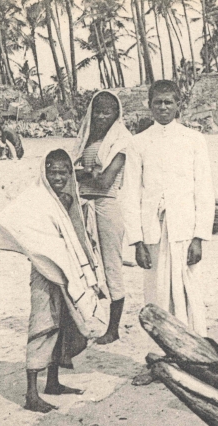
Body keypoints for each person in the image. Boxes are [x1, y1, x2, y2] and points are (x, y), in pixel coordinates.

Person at [0, 149, 109, 413]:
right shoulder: (35, 199)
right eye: (52, 171)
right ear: (44, 173)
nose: (57, 176)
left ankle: (53, 382)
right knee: (43, 325)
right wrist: (36, 250)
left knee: (66, 324)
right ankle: (31, 393)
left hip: (68, 271)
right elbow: (15, 222)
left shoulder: (70, 200)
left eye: (62, 171)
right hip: (45, 272)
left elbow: (77, 235)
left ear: (70, 173)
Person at [121, 80, 215, 386]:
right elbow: (130, 193)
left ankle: (197, 360)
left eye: (169, 103)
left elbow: (204, 190)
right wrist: (137, 241)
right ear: (149, 105)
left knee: (189, 294)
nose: (163, 108)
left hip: (185, 230)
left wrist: (200, 236)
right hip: (153, 232)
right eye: (158, 102)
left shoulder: (194, 140)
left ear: (179, 106)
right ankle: (159, 362)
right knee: (157, 296)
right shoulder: (138, 143)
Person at [73, 91, 132, 345]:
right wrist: (89, 173)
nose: (100, 116)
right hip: (81, 205)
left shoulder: (122, 141)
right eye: (97, 110)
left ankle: (113, 328)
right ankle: (81, 324)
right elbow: (66, 173)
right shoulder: (86, 138)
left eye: (107, 111)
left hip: (107, 206)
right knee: (81, 266)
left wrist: (82, 174)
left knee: (110, 267)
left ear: (117, 114)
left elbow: (107, 180)